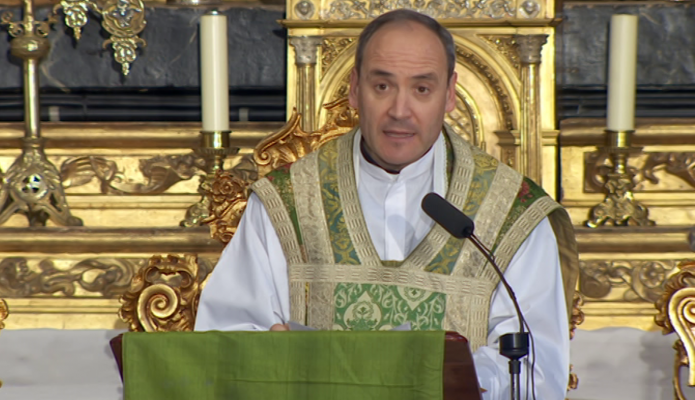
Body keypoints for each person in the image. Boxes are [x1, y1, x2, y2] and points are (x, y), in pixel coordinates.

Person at [195, 9, 578, 399]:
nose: (399, 110)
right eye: (382, 86)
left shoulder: (512, 214)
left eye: (422, 89)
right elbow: (224, 344)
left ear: (449, 95)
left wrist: (425, 373)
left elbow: (534, 372)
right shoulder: (288, 203)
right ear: (354, 89)